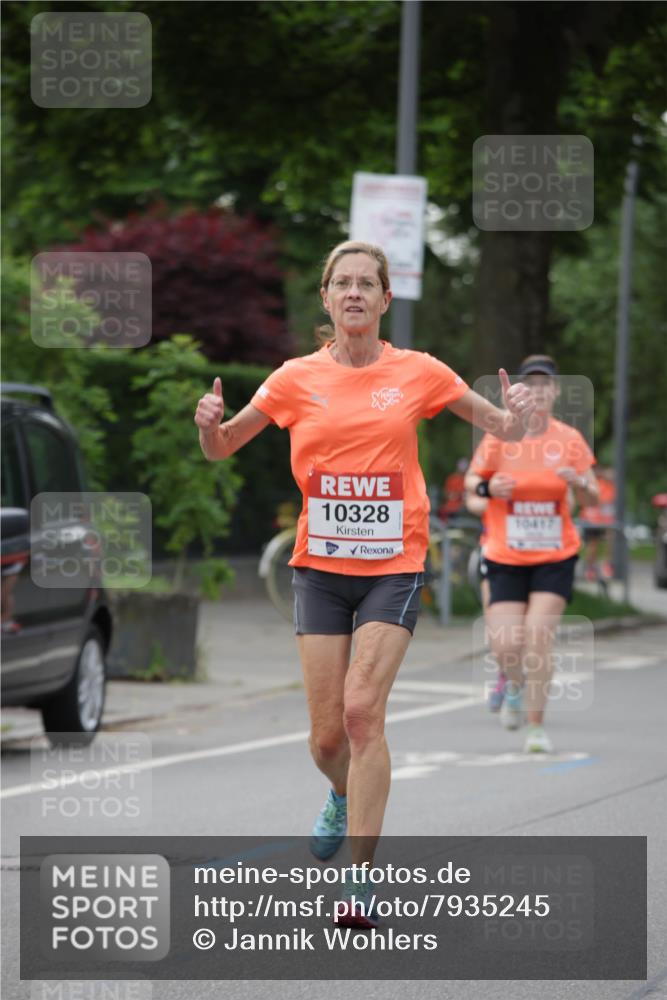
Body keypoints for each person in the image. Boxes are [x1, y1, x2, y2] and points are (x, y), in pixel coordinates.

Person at [194, 240, 535, 925]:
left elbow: (499, 426)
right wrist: (207, 427)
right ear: (325, 298)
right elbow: (225, 445)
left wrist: (517, 416)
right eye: (341, 283)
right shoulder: (293, 378)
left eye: (365, 284)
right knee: (325, 740)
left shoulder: (419, 372)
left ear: (384, 300)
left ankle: (360, 878)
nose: (353, 293)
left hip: (393, 566)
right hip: (318, 570)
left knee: (360, 714)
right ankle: (341, 796)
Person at [465, 355, 599, 753]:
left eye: (546, 385)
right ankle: (513, 683)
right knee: (506, 644)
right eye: (531, 385)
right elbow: (473, 490)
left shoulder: (570, 439)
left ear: (555, 391)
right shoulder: (501, 436)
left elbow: (590, 498)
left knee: (538, 637)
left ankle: (536, 727)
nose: (538, 392)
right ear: (520, 391)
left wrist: (579, 483)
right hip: (505, 554)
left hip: (554, 555)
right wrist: (491, 491)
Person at [581, 467, 616, 581]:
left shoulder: (611, 487)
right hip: (592, 519)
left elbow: (610, 502)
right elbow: (595, 500)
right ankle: (590, 568)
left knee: (610, 540)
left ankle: (607, 565)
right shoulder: (596, 484)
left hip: (606, 520)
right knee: (593, 544)